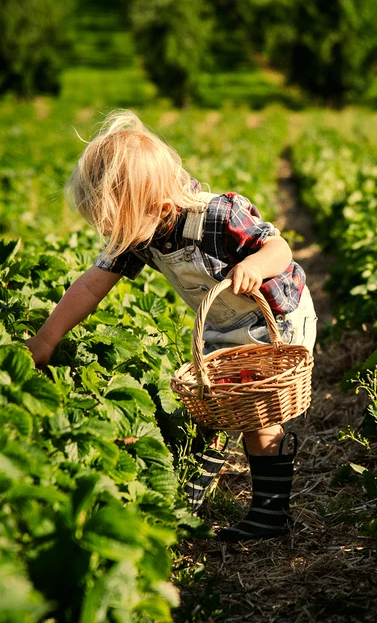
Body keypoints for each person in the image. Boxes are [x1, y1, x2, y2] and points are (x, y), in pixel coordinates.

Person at [25, 109, 317, 542]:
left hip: (272, 322)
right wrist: (46, 340)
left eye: (119, 227)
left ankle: (270, 514)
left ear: (160, 208)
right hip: (220, 327)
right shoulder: (141, 231)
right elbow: (90, 286)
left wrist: (255, 264)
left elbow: (280, 247)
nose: (118, 237)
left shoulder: (219, 215)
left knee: (257, 415)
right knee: (209, 407)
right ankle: (188, 506)